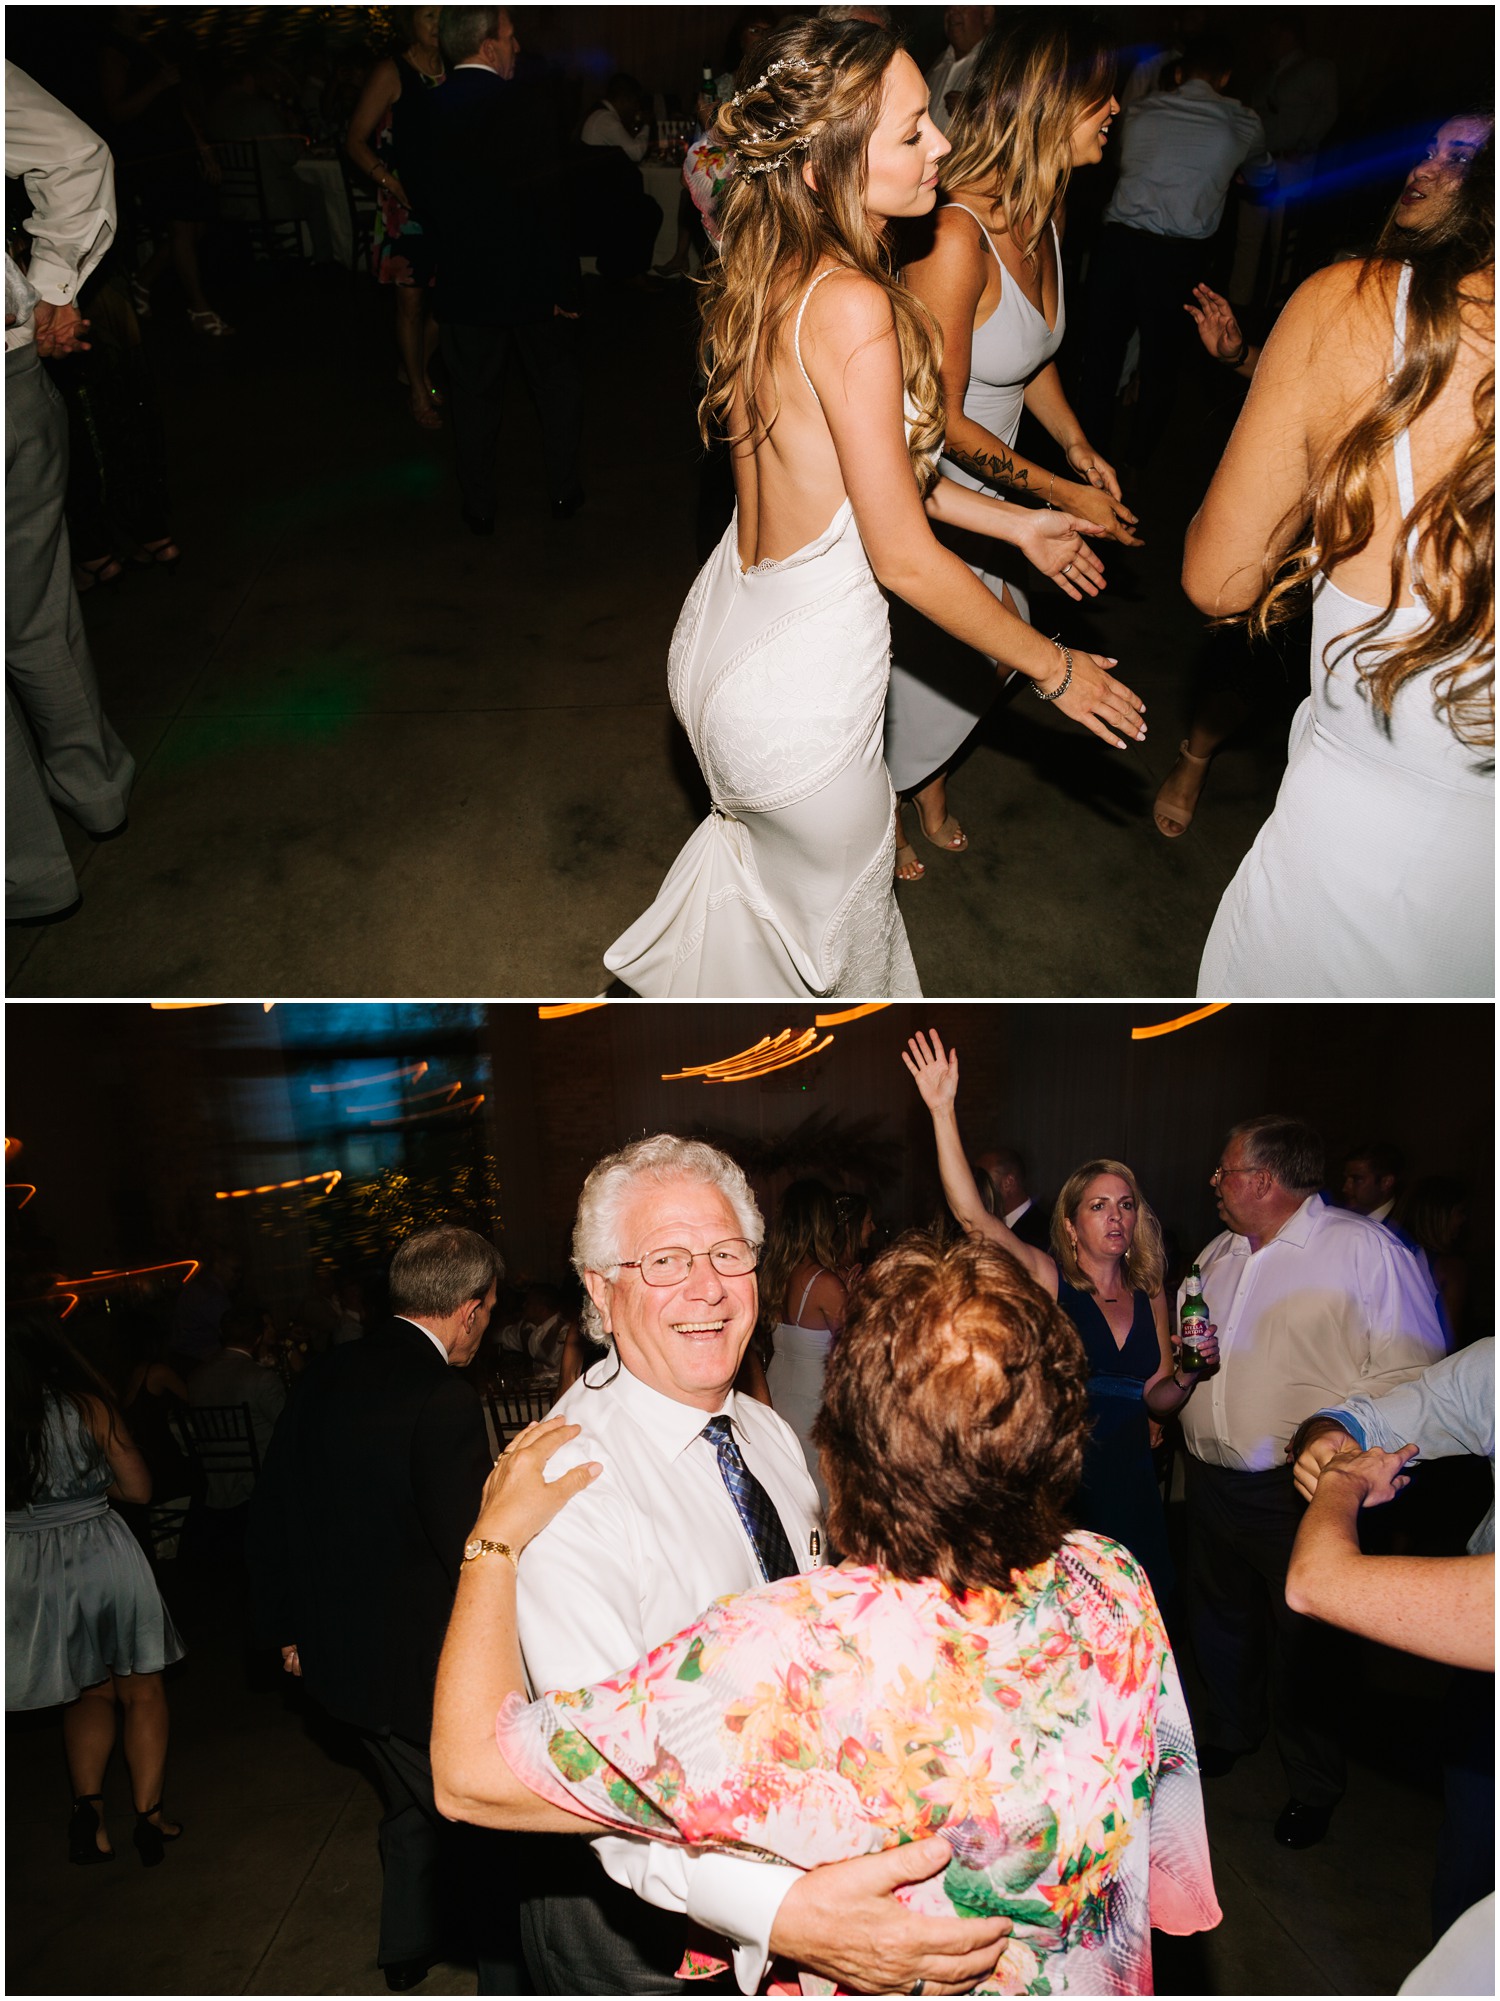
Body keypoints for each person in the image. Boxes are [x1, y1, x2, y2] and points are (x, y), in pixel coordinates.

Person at [432, 1229, 1223, 1995]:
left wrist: (492, 1539)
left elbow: (469, 1775)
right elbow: (1164, 1868)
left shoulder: (792, 1648)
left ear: (840, 1447)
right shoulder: (1113, 1577)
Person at [602, 17, 1145, 1000]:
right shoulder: (854, 301)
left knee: (776, 925)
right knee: (851, 984)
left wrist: (1018, 522)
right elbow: (897, 551)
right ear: (824, 166)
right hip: (801, 698)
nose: (940, 143)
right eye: (909, 133)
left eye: (930, 119)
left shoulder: (765, 263)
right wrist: (1054, 667)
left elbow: (872, 473)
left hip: (724, 637)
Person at [467, 1131, 1023, 1996]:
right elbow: (608, 1785)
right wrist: (784, 1910)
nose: (708, 1286)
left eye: (729, 1253)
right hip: (647, 1926)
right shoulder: (571, 1484)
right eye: (665, 1260)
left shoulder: (761, 1431)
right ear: (599, 1292)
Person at [1186, 131, 1494, 997]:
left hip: (1346, 860)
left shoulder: (1346, 304)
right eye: (1428, 151)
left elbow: (1222, 579)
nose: (1425, 170)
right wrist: (1250, 362)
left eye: (1463, 158)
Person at [887, 23, 1141, 880]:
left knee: (981, 654)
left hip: (1012, 476)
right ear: (1042, 102)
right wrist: (1055, 498)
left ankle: (919, 777)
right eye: (1097, 96)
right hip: (939, 472)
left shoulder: (1048, 208)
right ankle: (887, 792)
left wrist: (1076, 445)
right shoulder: (956, 234)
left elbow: (1028, 353)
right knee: (984, 646)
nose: (1116, 111)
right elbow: (941, 420)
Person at [246, 1225, 513, 1993]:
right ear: (467, 1310)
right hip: (415, 1670)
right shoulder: (443, 1395)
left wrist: (288, 1630)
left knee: (406, 1802)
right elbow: (470, 1551)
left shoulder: (325, 1372)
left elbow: (276, 1510)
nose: (487, 1324)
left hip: (335, 1661)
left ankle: (405, 1943)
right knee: (486, 1830)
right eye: (488, 1310)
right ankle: (510, 1976)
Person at [1178, 1113, 1448, 1849]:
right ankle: (1232, 1733)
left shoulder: (1365, 1251)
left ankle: (1315, 1783)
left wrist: (1349, 1456)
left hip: (1298, 1492)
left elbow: (1418, 1372)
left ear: (1263, 1179)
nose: (1214, 1182)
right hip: (1210, 1481)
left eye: (1224, 1170)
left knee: (1309, 1645)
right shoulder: (1218, 1252)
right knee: (1221, 1623)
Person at [904, 1027, 1212, 1605]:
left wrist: (1190, 1375)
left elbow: (1155, 1396)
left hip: (1135, 1484)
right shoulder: (1050, 1279)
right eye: (1098, 1206)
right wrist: (943, 1109)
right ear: (1072, 1225)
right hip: (1069, 1481)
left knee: (1138, 1613)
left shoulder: (1150, 1291)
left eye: (1125, 1205)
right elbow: (973, 1217)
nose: (1115, 1217)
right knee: (1069, 1618)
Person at [1290, 1338, 1494, 1944]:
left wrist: (1340, 1484)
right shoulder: (1495, 1365)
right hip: (1483, 1694)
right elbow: (1371, 1419)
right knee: (1468, 1881)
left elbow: (1317, 1583)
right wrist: (1325, 1439)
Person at [6, 62, 136, 929]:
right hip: (11, 381)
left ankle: (27, 872)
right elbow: (76, 149)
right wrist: (53, 290)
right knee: (38, 607)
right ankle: (97, 791)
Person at [6, 1310, 186, 1867]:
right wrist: (89, 1482)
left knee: (86, 1690)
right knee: (140, 1688)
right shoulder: (87, 1406)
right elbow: (139, 1488)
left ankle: (88, 1813)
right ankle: (149, 1819)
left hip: (24, 1564)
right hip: (98, 1553)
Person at [415, 7, 583, 537]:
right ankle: (562, 493)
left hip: (465, 284)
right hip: (533, 284)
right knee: (554, 391)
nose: (515, 47)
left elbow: (422, 199)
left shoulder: (423, 109)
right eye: (510, 38)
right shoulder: (526, 105)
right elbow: (550, 204)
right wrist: (563, 285)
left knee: (472, 401)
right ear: (488, 46)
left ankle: (480, 506)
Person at [1075, 33, 1275, 470]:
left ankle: (1088, 464)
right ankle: (1136, 469)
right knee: (1160, 367)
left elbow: (1134, 165)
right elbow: (1263, 178)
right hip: (1176, 258)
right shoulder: (1242, 121)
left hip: (1118, 246)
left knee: (1101, 362)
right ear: (1224, 77)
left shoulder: (1141, 110)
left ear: (1179, 74)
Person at [97, 11, 232, 336]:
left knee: (195, 228)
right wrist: (157, 84)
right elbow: (116, 111)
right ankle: (199, 308)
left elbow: (176, 101)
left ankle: (142, 281)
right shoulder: (113, 51)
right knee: (183, 228)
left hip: (180, 148)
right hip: (154, 154)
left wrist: (201, 144)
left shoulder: (146, 45)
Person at [345, 6, 446, 429]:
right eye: (428, 16)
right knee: (411, 299)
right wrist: (389, 182)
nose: (437, 25)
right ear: (411, 24)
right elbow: (354, 140)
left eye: (444, 16)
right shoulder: (392, 71)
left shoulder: (455, 69)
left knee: (448, 298)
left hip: (446, 201)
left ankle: (416, 367)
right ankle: (419, 393)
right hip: (403, 203)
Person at [759, 1177, 847, 1508]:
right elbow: (857, 1346)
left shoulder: (775, 1273)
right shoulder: (825, 1282)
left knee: (788, 1487)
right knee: (819, 1495)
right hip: (813, 1398)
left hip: (779, 1389)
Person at [186, 1305, 287, 1521]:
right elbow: (287, 1426)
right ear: (258, 1338)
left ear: (222, 1334)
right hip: (262, 1480)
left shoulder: (196, 1377)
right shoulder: (261, 1378)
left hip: (215, 1479)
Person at [578, 75, 661, 286]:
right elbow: (636, 152)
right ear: (624, 99)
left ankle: (627, 269)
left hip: (598, 192)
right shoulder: (605, 119)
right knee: (650, 210)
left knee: (645, 206)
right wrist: (646, 125)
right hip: (601, 198)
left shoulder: (597, 115)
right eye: (634, 103)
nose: (634, 109)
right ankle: (634, 272)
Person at [923, 5, 994, 136]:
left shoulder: (998, 64)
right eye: (947, 6)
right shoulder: (935, 64)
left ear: (986, 14)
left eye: (962, 5)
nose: (952, 11)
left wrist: (978, 113)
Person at [971, 1142, 1050, 1250]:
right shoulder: (980, 1227)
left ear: (1008, 1183)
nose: (975, 1187)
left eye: (983, 1180)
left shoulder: (1045, 1233)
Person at [1340, 1141, 1403, 1222]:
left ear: (1386, 1182)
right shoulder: (1344, 1218)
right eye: (1346, 1179)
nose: (1345, 1188)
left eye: (1357, 1179)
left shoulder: (1403, 1227)